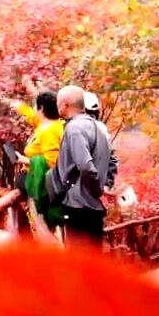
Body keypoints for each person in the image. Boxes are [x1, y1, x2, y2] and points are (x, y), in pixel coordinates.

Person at [46, 86, 113, 247]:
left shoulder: (74, 128)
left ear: (65, 104)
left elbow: (85, 166)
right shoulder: (99, 128)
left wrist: (96, 189)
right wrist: (99, 190)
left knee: (78, 262)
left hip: (78, 205)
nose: (57, 107)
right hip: (93, 207)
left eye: (58, 103)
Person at [6, 85, 65, 233]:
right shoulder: (50, 124)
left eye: (36, 107)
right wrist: (20, 107)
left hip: (42, 186)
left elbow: (52, 162)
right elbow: (33, 117)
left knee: (43, 229)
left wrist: (24, 160)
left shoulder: (49, 132)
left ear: (42, 109)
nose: (35, 110)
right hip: (36, 180)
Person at [83, 91, 118, 192]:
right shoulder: (102, 128)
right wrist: (108, 182)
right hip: (96, 184)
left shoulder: (73, 128)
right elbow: (112, 159)